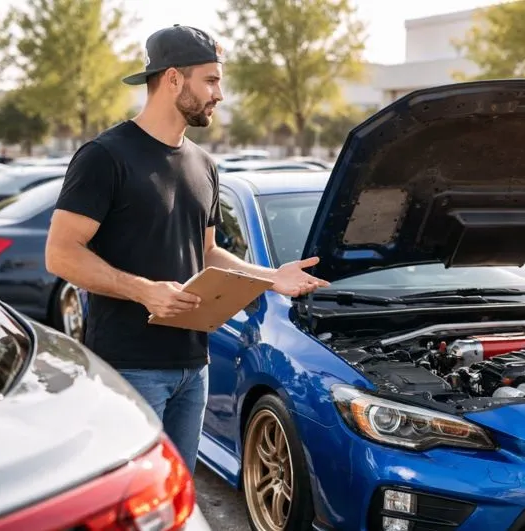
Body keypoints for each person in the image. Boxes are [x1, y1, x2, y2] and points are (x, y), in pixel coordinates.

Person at [45, 24, 329, 473]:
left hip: (194, 366)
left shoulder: (204, 164)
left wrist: (270, 277)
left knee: (176, 493)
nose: (220, 94)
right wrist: (143, 290)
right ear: (173, 78)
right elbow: (61, 254)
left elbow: (209, 251)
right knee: (129, 497)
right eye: (211, 80)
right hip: (128, 365)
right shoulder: (105, 156)